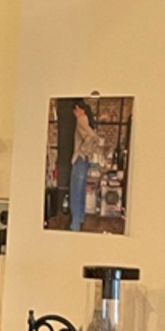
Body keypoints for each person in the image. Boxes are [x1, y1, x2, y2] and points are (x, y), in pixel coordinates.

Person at [69, 98, 99, 231]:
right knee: (81, 191)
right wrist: (88, 152)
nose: (74, 113)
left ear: (78, 108)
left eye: (74, 110)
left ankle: (75, 225)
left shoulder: (81, 119)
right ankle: (80, 220)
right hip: (86, 160)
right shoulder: (88, 120)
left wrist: (82, 151)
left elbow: (91, 137)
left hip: (80, 159)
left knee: (75, 191)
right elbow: (94, 138)